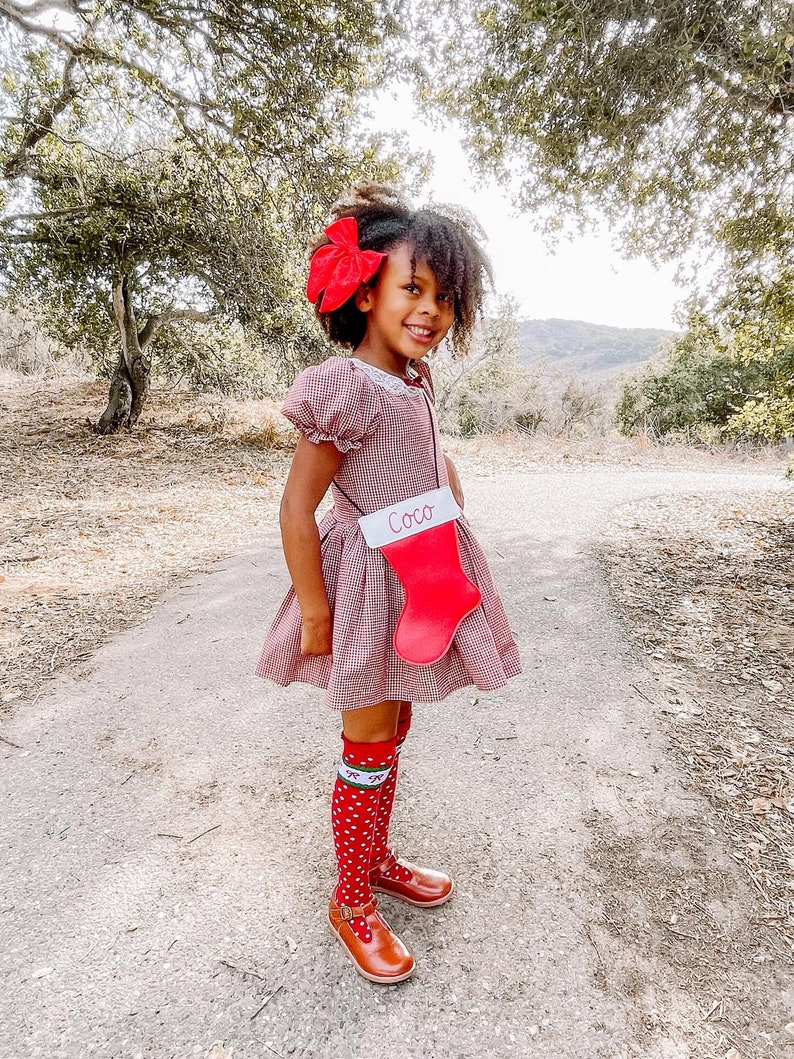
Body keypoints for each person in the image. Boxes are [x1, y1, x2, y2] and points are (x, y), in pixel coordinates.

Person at [256, 182, 521, 984]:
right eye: (413, 289)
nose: (430, 310)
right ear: (367, 291)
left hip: (420, 576)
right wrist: (313, 609)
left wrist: (447, 485)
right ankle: (348, 900)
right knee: (365, 740)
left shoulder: (412, 381)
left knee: (393, 726)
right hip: (367, 590)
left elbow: (419, 457)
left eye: (445, 297)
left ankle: (373, 858)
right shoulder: (343, 388)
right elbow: (297, 509)